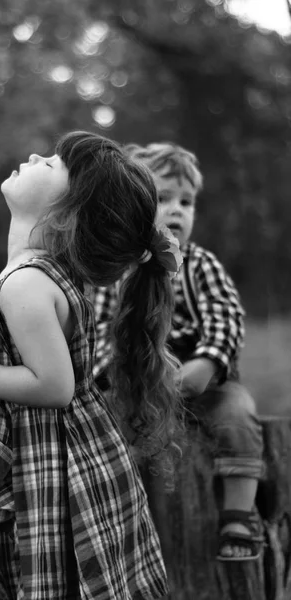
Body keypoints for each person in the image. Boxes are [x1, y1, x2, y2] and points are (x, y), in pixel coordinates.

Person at [0, 131, 183, 599]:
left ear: (68, 213)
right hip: (70, 456)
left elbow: (53, 385)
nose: (36, 155)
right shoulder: (39, 274)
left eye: (55, 163)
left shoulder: (26, 285)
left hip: (59, 470)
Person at [91, 142, 264, 562]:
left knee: (238, 417)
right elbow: (99, 330)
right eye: (163, 198)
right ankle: (112, 518)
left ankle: (238, 515)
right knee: (108, 430)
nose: (177, 210)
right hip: (140, 381)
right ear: (133, 207)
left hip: (205, 379)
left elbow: (225, 315)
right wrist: (113, 375)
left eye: (186, 201)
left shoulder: (201, 263)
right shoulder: (118, 272)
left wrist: (204, 365)